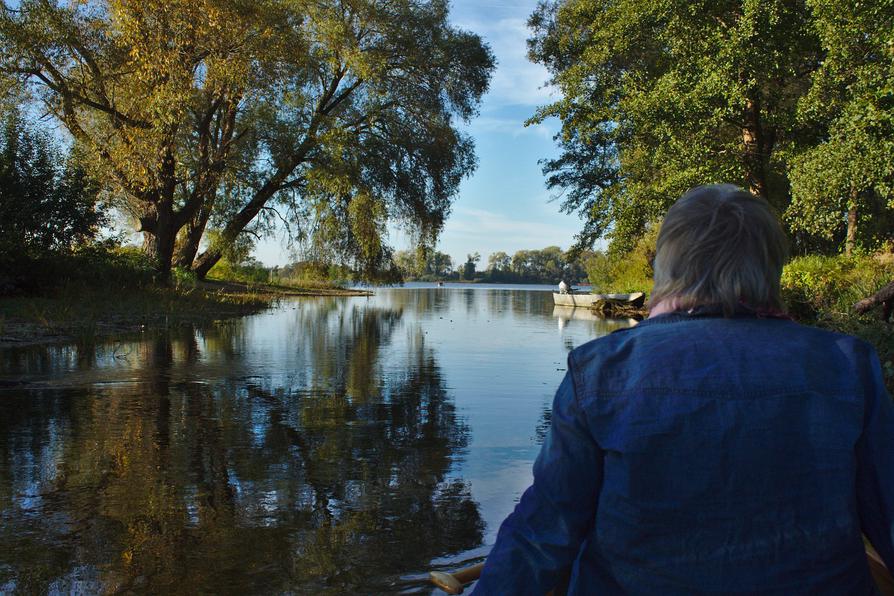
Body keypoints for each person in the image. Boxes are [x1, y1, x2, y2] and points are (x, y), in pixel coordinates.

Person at [472, 184, 894, 595]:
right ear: (770, 266)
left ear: (668, 264)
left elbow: (545, 532)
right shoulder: (847, 364)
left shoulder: (602, 370)